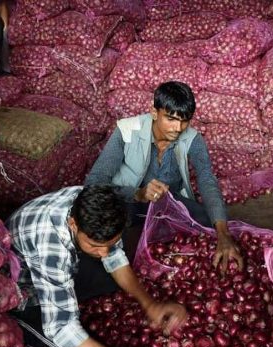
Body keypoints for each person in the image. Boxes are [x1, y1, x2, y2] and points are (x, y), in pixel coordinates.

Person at [7, 185, 187, 347]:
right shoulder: (52, 246)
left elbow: (114, 257)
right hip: (21, 293)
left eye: (110, 243)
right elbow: (61, 330)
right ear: (73, 224)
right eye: (95, 245)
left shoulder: (93, 204)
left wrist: (150, 305)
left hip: (56, 265)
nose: (103, 253)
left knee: (111, 280)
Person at [85, 81, 244, 271]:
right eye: (170, 118)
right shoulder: (126, 131)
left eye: (184, 120)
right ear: (154, 112)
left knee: (210, 221)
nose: (178, 128)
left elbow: (206, 180)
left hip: (169, 204)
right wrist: (137, 194)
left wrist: (223, 234)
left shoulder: (193, 139)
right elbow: (94, 182)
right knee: (105, 237)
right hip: (126, 203)